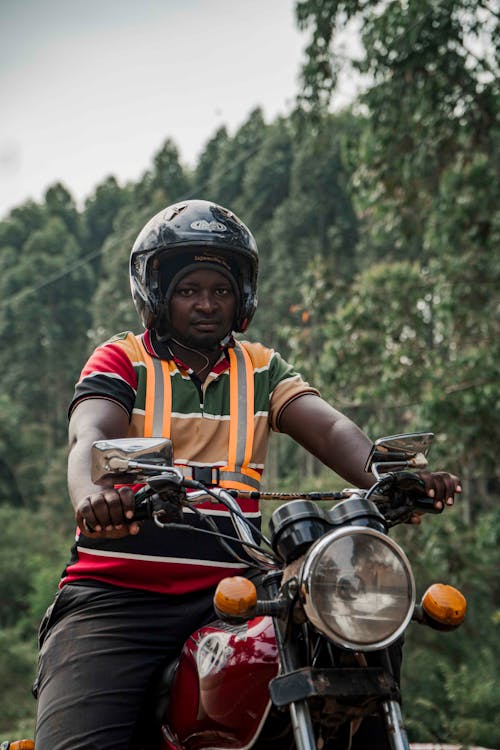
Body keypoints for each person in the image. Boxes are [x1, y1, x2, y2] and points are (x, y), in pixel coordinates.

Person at [34, 199, 460, 750]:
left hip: (240, 594)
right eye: (189, 289)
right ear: (157, 294)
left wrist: (393, 475)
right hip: (121, 595)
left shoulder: (261, 367)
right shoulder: (121, 359)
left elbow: (330, 430)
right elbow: (88, 435)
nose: (206, 304)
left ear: (242, 298)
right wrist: (92, 492)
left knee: (350, 624)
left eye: (221, 290)